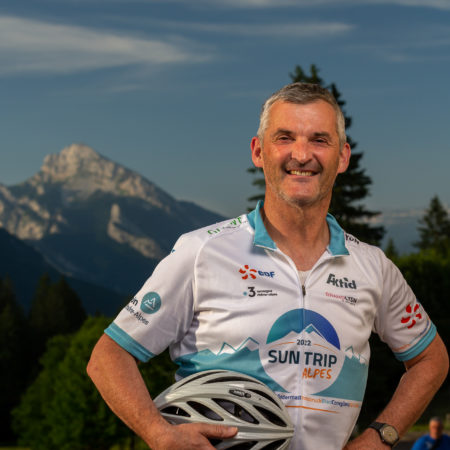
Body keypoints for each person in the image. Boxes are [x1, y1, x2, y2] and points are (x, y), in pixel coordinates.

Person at [87, 82, 448, 449]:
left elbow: (431, 360)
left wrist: (380, 438)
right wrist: (159, 433)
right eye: (285, 138)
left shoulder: (373, 267)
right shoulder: (202, 252)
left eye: (319, 140)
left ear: (342, 157)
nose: (302, 155)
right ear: (258, 151)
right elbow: (108, 357)